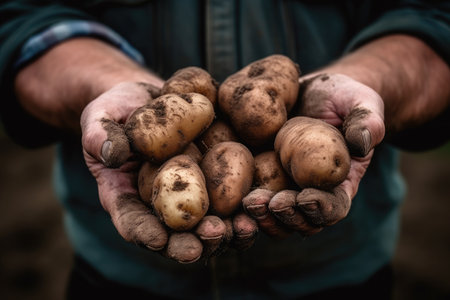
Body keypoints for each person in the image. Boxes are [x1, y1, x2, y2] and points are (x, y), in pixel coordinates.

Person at [1, 1, 449, 299]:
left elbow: (435, 17)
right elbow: (19, 18)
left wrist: (372, 82)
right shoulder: (186, 126)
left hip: (336, 275)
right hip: (123, 277)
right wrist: (103, 86)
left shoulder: (271, 119)